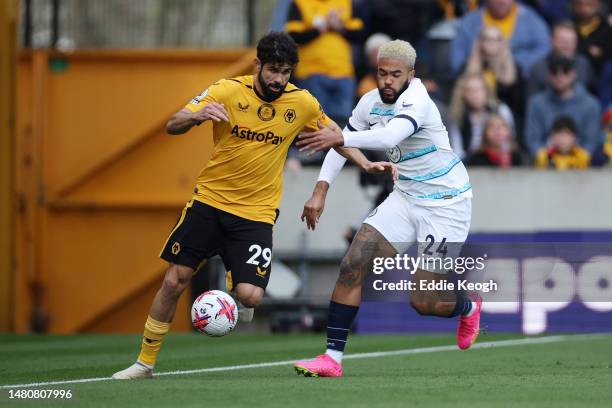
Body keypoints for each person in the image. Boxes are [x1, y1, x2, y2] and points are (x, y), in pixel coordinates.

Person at [111, 32, 336, 380]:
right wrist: (198, 115)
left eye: (287, 72)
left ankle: (237, 283)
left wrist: (352, 169)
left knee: (251, 297)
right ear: (258, 65)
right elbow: (173, 124)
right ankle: (144, 363)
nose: (279, 79)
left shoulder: (302, 103)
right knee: (174, 280)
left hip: (255, 213)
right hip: (209, 203)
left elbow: (337, 137)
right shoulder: (227, 91)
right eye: (274, 70)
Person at [293, 40, 478, 378]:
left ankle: (468, 305)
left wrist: (341, 139)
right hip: (405, 196)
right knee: (352, 263)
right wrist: (320, 190)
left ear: (410, 73)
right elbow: (340, 145)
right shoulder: (369, 103)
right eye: (382, 73)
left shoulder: (419, 102)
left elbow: (389, 137)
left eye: (395, 74)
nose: (387, 81)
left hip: (446, 204)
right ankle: (332, 359)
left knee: (423, 302)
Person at [285, 0, 366, 126]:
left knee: (343, 125)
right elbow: (293, 36)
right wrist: (320, 29)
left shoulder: (347, 3)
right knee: (315, 122)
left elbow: (359, 34)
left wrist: (340, 27)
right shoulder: (299, 3)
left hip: (343, 74)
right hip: (311, 74)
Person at [524, 54, 602, 157]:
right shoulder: (536, 103)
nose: (559, 76)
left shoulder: (591, 104)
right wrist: (546, 157)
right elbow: (532, 139)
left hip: (582, 167)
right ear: (549, 75)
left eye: (565, 71)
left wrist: (576, 159)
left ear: (573, 74)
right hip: (544, 167)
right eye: (554, 72)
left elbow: (591, 142)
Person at [450, 0, 550, 77]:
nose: (501, 1)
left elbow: (544, 47)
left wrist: (517, 64)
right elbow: (457, 59)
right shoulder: (470, 21)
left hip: (517, 81)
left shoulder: (530, 18)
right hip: (477, 80)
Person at [448, 73, 515, 159]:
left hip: (498, 159)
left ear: (487, 91)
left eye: (479, 89)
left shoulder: (501, 110)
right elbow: (457, 149)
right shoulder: (458, 116)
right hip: (470, 163)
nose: (475, 94)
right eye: (470, 90)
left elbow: (510, 139)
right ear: (463, 94)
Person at [528, 20, 595, 96]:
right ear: (551, 41)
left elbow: (592, 96)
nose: (567, 45)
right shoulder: (538, 69)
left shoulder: (584, 65)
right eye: (562, 41)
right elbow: (531, 102)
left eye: (571, 41)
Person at [572, 0, 612, 75]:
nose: (583, 9)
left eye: (589, 5)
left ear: (597, 5)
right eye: (579, 4)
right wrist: (588, 49)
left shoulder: (605, 28)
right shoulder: (569, 24)